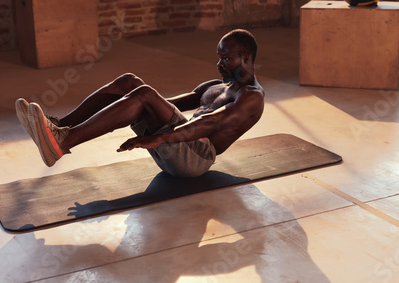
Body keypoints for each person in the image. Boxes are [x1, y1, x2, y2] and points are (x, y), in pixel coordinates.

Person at [16, 29, 265, 177]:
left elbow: (212, 122)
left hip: (196, 158)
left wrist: (158, 138)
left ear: (245, 58)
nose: (219, 64)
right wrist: (132, 106)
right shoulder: (217, 85)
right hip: (179, 144)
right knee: (130, 83)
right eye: (218, 57)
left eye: (226, 58)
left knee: (143, 94)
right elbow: (167, 103)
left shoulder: (251, 96)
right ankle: (58, 127)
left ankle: (63, 143)